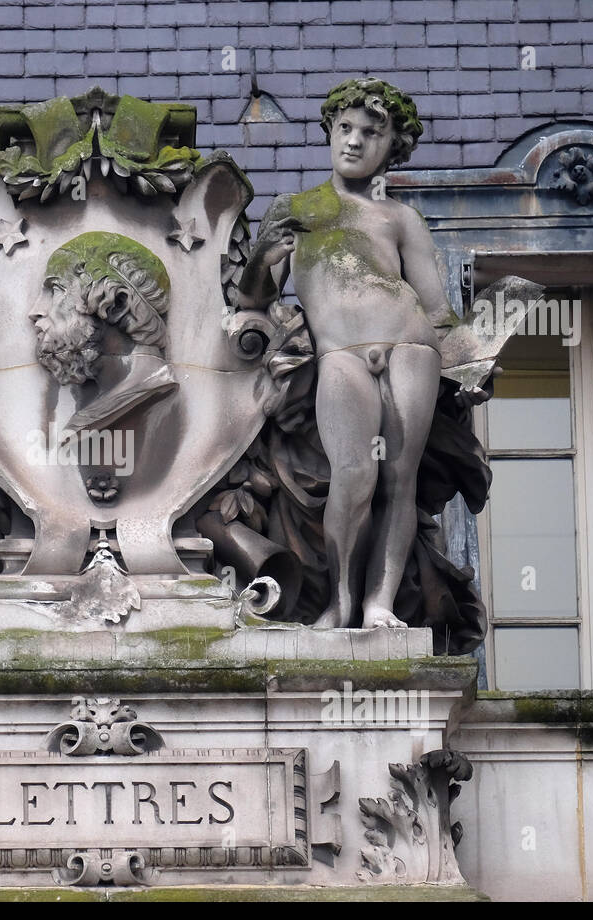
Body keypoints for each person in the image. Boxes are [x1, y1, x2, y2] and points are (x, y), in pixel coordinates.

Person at [237, 77, 460, 630]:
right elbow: (252, 297)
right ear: (329, 133)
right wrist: (264, 255)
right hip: (340, 354)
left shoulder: (400, 218)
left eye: (371, 132)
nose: (354, 141)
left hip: (410, 347)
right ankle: (338, 604)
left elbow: (436, 308)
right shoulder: (298, 207)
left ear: (393, 147)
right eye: (344, 129)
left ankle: (378, 604)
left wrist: (470, 357)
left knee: (397, 481)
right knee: (354, 476)